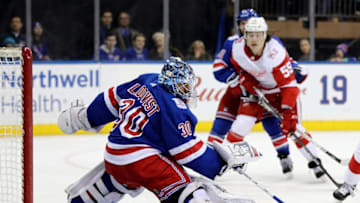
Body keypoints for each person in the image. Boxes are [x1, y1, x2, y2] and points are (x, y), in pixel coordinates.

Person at [57, 57, 259, 203]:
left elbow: (109, 100)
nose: (189, 91)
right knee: (185, 188)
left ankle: (88, 197)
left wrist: (84, 118)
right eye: (186, 86)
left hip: (113, 155)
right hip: (140, 160)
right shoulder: (174, 107)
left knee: (121, 178)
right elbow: (188, 153)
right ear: (177, 86)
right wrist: (221, 164)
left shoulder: (147, 80)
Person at [210, 13, 324, 179]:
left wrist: (288, 113)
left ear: (265, 36)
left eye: (258, 35)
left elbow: (290, 87)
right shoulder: (237, 48)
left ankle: (315, 161)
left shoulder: (275, 52)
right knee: (239, 128)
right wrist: (247, 83)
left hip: (280, 92)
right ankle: (227, 163)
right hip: (258, 94)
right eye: (250, 35)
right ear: (244, 35)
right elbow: (241, 70)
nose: (254, 39)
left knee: (294, 130)